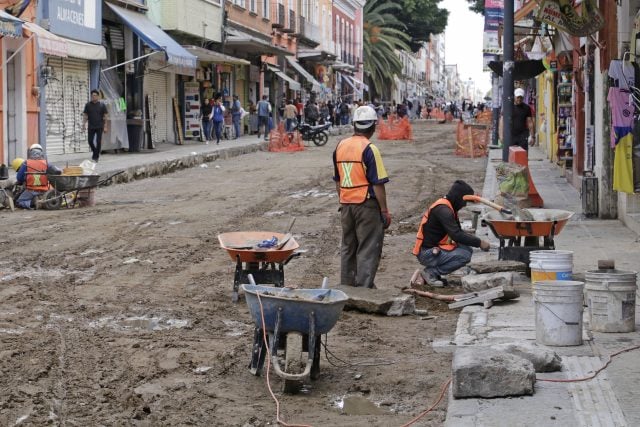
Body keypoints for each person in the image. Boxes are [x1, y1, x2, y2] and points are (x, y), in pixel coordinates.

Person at [332, 105, 391, 288]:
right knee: (368, 248)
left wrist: (344, 199)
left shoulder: (340, 146)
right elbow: (378, 183)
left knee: (348, 247)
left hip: (346, 204)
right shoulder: (370, 149)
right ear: (373, 126)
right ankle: (364, 289)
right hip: (367, 205)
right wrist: (384, 210)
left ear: (354, 125)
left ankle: (347, 286)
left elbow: (338, 180)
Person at [410, 180, 490, 287]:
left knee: (467, 249)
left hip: (433, 248)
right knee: (464, 255)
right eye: (464, 202)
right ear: (458, 197)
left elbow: (459, 233)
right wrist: (479, 242)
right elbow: (456, 235)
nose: (464, 205)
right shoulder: (444, 210)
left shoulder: (449, 206)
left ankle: (434, 272)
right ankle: (430, 273)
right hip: (427, 253)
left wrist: (474, 242)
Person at [14, 144, 61, 210]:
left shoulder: (26, 163)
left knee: (18, 202)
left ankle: (33, 202)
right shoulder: (46, 163)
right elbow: (57, 171)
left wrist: (24, 179)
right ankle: (40, 200)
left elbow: (19, 178)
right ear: (41, 152)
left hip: (31, 190)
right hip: (45, 189)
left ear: (30, 152)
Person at [82, 89, 109, 162]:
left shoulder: (102, 105)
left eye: (95, 95)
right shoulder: (88, 105)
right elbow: (85, 115)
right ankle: (95, 152)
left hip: (99, 126)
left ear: (98, 96)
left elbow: (106, 115)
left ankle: (96, 157)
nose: (93, 97)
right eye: (92, 95)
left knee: (98, 141)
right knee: (90, 141)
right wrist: (83, 124)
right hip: (91, 126)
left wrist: (106, 126)